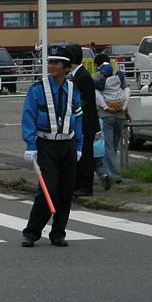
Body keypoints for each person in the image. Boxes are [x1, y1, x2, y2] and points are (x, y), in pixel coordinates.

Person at [21, 45, 83, 248]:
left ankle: (58, 233)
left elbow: (78, 118)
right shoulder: (37, 89)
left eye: (56, 63)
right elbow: (28, 116)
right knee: (48, 190)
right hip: (45, 144)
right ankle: (31, 232)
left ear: (66, 67)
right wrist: (30, 145)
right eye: (50, 62)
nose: (51, 66)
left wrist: (79, 145)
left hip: (68, 144)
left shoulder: (74, 89)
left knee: (66, 191)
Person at [68, 44, 100, 197]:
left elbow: (84, 102)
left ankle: (86, 187)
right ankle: (77, 185)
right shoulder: (77, 75)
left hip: (86, 124)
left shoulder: (83, 77)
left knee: (86, 156)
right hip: (81, 123)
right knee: (79, 156)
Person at [94, 58, 131, 187]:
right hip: (120, 115)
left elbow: (94, 91)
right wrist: (125, 109)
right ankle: (111, 169)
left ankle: (113, 174)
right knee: (114, 145)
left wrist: (104, 107)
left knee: (107, 146)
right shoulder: (119, 78)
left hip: (106, 115)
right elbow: (127, 91)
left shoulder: (97, 79)